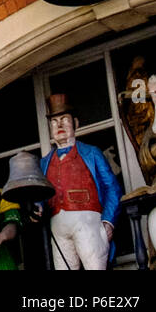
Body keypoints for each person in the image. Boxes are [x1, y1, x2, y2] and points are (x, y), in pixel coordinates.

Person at [38, 93, 122, 270]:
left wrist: (108, 220)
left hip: (88, 221)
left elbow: (112, 187)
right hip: (58, 227)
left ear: (75, 123)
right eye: (54, 122)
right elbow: (41, 194)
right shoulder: (44, 162)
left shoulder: (91, 153)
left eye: (64, 119)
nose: (59, 125)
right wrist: (37, 207)